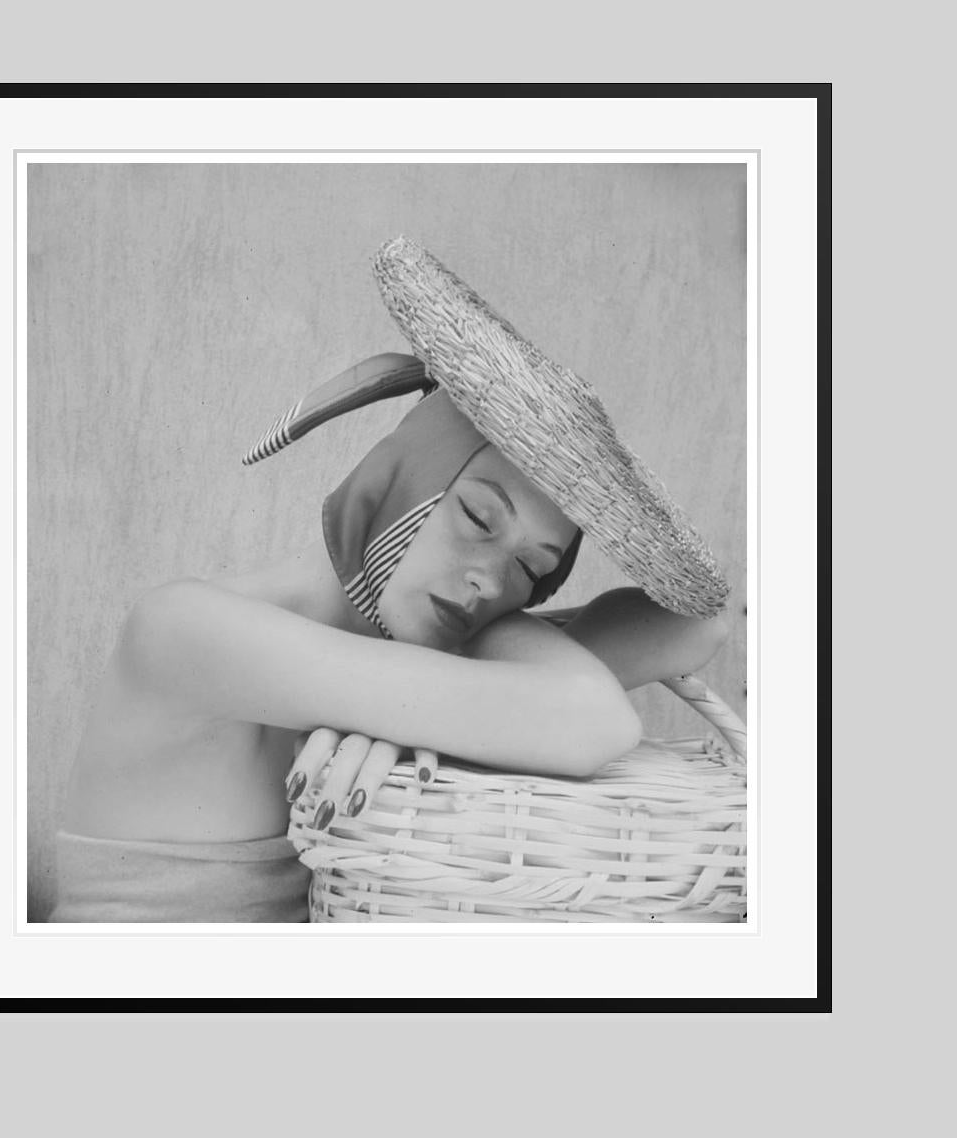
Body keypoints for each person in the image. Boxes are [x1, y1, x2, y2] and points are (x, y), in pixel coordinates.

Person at [48, 237, 734, 924]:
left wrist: (409, 718)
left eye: (531, 569)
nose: (486, 580)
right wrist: (432, 709)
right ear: (402, 475)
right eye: (477, 517)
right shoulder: (185, 630)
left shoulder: (421, 658)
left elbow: (700, 621)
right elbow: (593, 718)